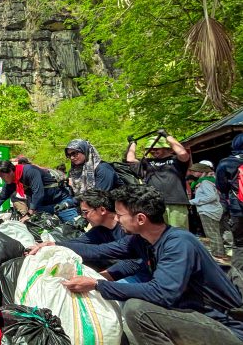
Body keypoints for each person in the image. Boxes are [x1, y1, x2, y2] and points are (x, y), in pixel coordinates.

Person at [61, 185, 243, 344]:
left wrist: (97, 284)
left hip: (224, 326)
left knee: (137, 310)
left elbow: (161, 293)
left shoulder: (178, 244)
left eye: (120, 214)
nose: (116, 219)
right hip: (193, 315)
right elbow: (100, 251)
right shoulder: (142, 240)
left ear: (140, 219)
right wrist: (53, 245)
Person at [28, 189, 146, 281]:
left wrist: (97, 280)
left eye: (85, 212)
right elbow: (79, 244)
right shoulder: (100, 230)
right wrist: (51, 245)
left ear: (102, 210)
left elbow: (100, 251)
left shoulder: (129, 231)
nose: (83, 217)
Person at [126, 129, 191, 229]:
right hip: (155, 203)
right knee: (158, 234)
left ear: (165, 148)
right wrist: (133, 143)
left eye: (157, 149)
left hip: (176, 202)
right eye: (151, 149)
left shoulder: (176, 160)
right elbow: (130, 159)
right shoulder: (148, 162)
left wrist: (167, 136)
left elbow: (182, 153)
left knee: (179, 233)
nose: (153, 151)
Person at [0, 160, 78, 223]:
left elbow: (38, 193)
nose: (2, 179)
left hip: (60, 202)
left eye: (2, 176)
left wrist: (29, 214)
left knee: (74, 229)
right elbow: (2, 196)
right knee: (40, 233)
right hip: (41, 207)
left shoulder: (30, 171)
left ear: (11, 171)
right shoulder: (12, 181)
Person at [189, 162, 227, 261]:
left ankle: (218, 255)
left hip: (208, 210)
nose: (192, 172)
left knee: (212, 234)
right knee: (215, 233)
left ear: (200, 172)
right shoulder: (207, 181)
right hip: (211, 209)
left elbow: (211, 196)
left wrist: (192, 201)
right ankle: (220, 253)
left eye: (194, 171)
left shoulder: (205, 182)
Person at [217, 133, 243, 272]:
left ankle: (238, 281)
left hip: (238, 209)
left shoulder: (226, 163)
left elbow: (221, 187)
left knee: (239, 245)